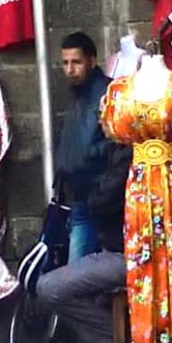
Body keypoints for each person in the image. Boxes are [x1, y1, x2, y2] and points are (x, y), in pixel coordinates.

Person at [36, 123, 131, 343]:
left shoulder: (127, 154)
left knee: (51, 287)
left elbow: (103, 200)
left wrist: (90, 192)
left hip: (124, 254)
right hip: (120, 248)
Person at [55, 32, 118, 263]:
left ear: (91, 61)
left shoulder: (107, 94)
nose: (70, 69)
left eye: (76, 62)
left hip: (101, 197)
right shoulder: (77, 95)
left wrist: (88, 160)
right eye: (65, 63)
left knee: (78, 275)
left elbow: (118, 145)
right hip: (79, 196)